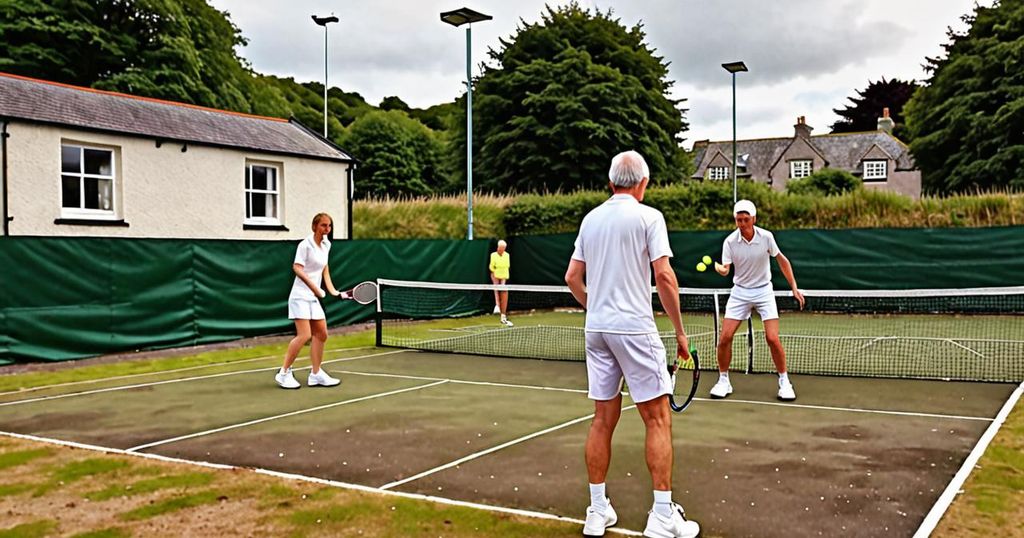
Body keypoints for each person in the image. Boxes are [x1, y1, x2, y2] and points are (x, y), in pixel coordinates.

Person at [565, 150, 700, 538]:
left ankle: (596, 511)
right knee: (657, 418)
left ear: (611, 183)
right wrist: (679, 332)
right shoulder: (649, 217)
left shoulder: (590, 220)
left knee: (602, 419)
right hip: (635, 330)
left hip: (598, 331)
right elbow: (665, 276)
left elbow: (573, 277)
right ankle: (661, 516)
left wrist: (598, 309)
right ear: (643, 183)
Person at [710, 199, 805, 401]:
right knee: (725, 337)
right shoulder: (729, 242)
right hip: (740, 292)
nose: (742, 224)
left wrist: (794, 287)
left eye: (746, 219)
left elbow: (782, 260)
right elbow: (726, 268)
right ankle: (723, 380)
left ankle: (784, 381)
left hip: (764, 291)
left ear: (754, 218)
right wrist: (721, 270)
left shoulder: (766, 237)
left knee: (772, 338)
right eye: (738, 220)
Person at [275, 213, 343, 389]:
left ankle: (316, 374)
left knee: (321, 334)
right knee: (304, 335)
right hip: (300, 296)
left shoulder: (327, 245)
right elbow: (297, 268)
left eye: (329, 226)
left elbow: (325, 269)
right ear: (314, 227)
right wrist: (315, 288)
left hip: (313, 297)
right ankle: (283, 373)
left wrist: (332, 290)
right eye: (323, 226)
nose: (327, 229)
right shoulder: (305, 245)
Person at [489, 239, 513, 326]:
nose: (502, 249)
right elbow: (491, 266)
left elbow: (507, 265)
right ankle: (497, 306)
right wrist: (495, 272)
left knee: (503, 292)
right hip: (495, 275)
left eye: (504, 248)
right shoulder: (493, 255)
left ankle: (503, 316)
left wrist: (502, 273)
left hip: (504, 275)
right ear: (498, 247)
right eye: (501, 248)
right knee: (496, 290)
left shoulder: (507, 255)